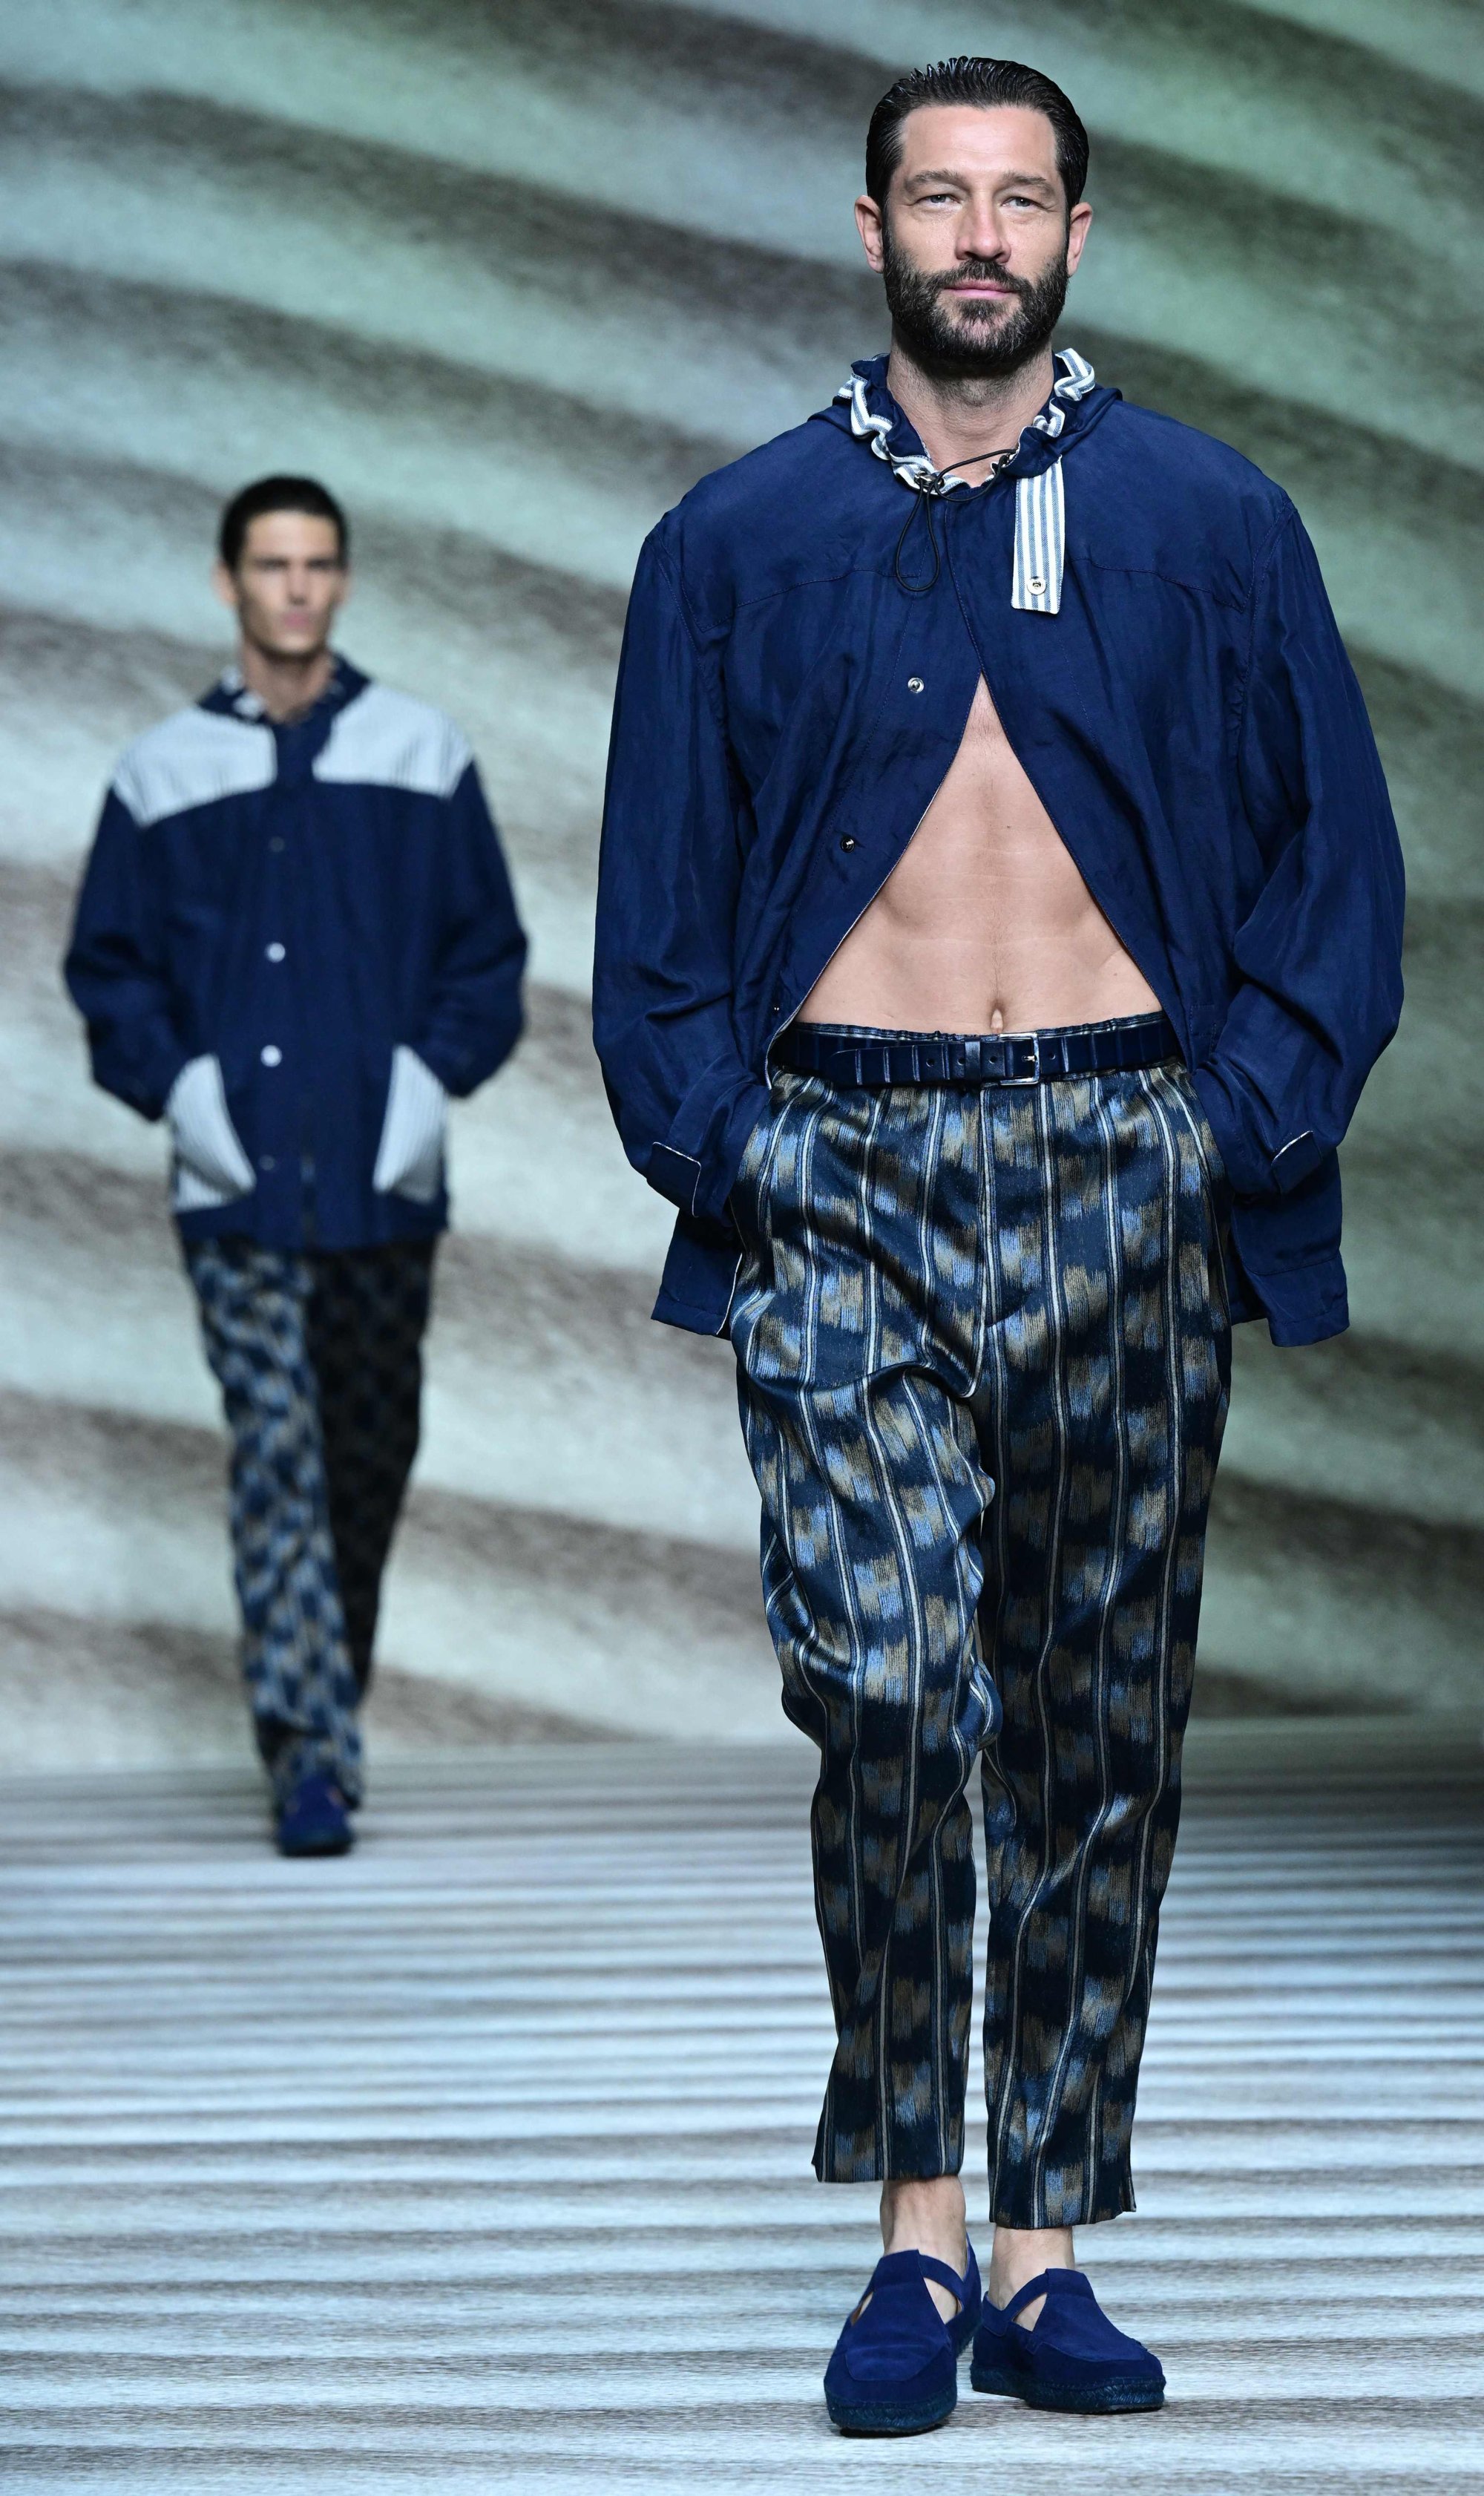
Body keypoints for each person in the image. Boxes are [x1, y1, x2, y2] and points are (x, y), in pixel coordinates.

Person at [594, 55, 1403, 2431]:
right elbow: (653, 915)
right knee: (884, 1676)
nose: (978, 233)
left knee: (1091, 1710)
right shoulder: (729, 543)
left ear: (1076, 231)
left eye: (1018, 196)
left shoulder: (1212, 521)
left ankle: (1039, 2240)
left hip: (1120, 1152)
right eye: (935, 194)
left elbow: (1331, 877)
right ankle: (908, 2224)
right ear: (867, 231)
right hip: (839, 1162)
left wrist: (1223, 1123)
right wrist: (727, 1148)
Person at [65, 476, 526, 1858]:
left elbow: (487, 959)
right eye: (271, 565)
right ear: (228, 583)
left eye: (319, 564)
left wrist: (427, 1082)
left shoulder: (420, 753)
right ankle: (307, 1760)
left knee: (365, 1460)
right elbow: (110, 971)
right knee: (275, 1452)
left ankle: (329, 1707)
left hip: (382, 1177)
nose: (296, 588)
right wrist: (181, 1087)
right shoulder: (160, 775)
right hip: (236, 1184)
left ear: (341, 581)